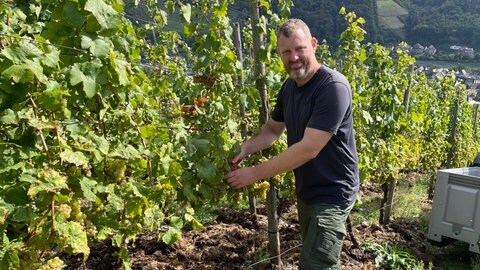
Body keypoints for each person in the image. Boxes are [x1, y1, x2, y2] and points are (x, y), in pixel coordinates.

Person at [225, 18, 359, 269]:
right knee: (318, 260)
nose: (294, 57)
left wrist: (254, 173)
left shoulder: (333, 87)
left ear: (314, 45)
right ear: (279, 54)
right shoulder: (289, 88)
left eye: (299, 49)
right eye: (287, 52)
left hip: (333, 192)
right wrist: (246, 147)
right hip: (308, 191)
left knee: (315, 265)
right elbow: (273, 129)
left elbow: (309, 148)